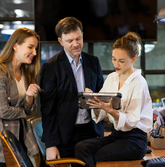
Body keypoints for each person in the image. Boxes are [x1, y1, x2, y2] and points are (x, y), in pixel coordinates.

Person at [74, 32, 153, 167]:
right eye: (113, 59)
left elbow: (131, 121)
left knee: (98, 155)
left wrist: (111, 111)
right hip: (116, 135)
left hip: (135, 139)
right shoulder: (112, 77)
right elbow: (100, 113)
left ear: (134, 58)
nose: (116, 64)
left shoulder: (139, 82)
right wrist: (94, 103)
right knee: (81, 147)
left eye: (121, 61)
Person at [38, 17, 104, 161]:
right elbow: (47, 110)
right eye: (69, 41)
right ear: (60, 41)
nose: (76, 44)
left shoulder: (94, 62)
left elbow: (102, 96)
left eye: (78, 39)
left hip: (91, 131)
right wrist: (51, 145)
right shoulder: (50, 67)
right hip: (64, 136)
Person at [0, 27, 41, 167]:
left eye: (36, 48)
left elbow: (30, 110)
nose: (34, 53)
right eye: (30, 47)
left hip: (19, 139)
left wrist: (29, 96)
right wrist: (23, 112)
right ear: (15, 46)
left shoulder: (25, 72)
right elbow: (2, 111)